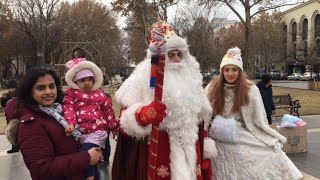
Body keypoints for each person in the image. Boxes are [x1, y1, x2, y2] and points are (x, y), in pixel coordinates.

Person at [112, 23, 217, 180]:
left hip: (190, 149)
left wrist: (205, 150)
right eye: (171, 55)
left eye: (179, 55)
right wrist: (143, 114)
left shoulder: (192, 79)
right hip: (158, 146)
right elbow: (126, 119)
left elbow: (202, 118)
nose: (175, 59)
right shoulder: (143, 76)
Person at [205, 47, 303, 180]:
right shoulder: (212, 87)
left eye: (234, 69)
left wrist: (267, 135)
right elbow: (204, 114)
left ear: (240, 71)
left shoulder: (250, 89)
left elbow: (260, 120)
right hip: (218, 132)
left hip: (244, 130)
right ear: (222, 71)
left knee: (270, 151)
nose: (230, 73)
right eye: (226, 70)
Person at [9, 66, 104, 180]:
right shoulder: (30, 124)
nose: (48, 92)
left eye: (51, 86)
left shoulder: (60, 111)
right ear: (30, 91)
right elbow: (42, 168)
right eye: (41, 88)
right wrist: (87, 157)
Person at [63, 58, 118, 180]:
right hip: (80, 133)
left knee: (86, 153)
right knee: (89, 158)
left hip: (97, 132)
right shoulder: (71, 93)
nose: (87, 83)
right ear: (75, 80)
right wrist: (70, 123)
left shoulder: (99, 94)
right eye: (82, 80)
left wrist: (114, 127)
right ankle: (94, 175)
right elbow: (68, 108)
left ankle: (90, 177)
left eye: (90, 79)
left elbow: (108, 111)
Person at [1, 80, 19, 153]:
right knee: (12, 132)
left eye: (12, 88)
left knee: (20, 132)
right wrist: (3, 98)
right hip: (9, 116)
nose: (11, 90)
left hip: (18, 116)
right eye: (10, 88)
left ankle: (20, 146)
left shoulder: (20, 95)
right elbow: (3, 105)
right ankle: (14, 147)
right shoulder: (7, 95)